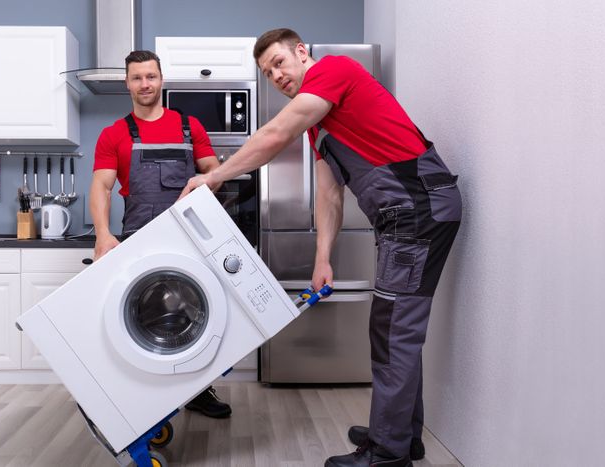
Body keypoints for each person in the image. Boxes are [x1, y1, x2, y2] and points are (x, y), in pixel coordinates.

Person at [180, 29, 462, 467]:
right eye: (266, 72)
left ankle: (388, 453)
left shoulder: (333, 71)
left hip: (417, 209)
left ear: (301, 52)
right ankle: (400, 435)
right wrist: (323, 260)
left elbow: (276, 134)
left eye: (278, 62)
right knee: (395, 328)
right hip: (405, 214)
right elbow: (329, 195)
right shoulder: (322, 128)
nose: (275, 75)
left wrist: (214, 176)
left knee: (392, 331)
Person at [89, 50, 232, 419]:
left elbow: (212, 171)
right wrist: (103, 235)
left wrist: (202, 189)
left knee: (196, 311)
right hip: (137, 239)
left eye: (150, 76)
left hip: (190, 237)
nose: (144, 84)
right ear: (127, 82)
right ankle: (149, 398)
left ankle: (198, 391)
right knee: (145, 316)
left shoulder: (189, 126)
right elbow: (101, 186)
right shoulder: (113, 134)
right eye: (136, 77)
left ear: (161, 78)